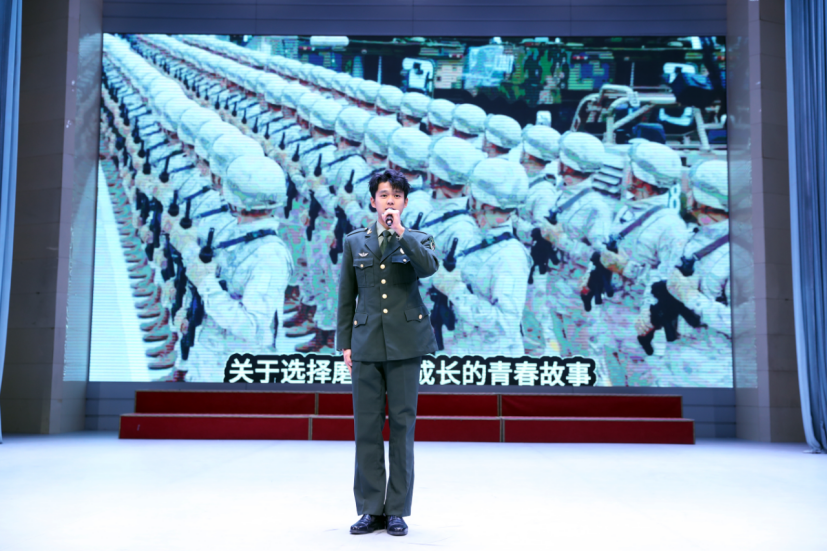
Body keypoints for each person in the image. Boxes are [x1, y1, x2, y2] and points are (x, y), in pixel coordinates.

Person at [337, 169, 439, 538]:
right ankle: (370, 509)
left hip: (406, 344)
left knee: (401, 428)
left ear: (405, 203)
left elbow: (429, 269)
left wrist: (400, 233)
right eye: (384, 195)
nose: (389, 200)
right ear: (372, 201)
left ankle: (396, 510)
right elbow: (346, 295)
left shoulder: (419, 239)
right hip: (365, 344)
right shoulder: (354, 242)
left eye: (396, 195)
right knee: (366, 428)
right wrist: (345, 342)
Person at [432, 158, 531, 357]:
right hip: (464, 348)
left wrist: (455, 291)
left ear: (482, 204)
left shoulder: (510, 257)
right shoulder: (475, 235)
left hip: (491, 361)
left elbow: (505, 323)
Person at [664, 160, 733, 387]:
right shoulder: (690, 237)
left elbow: (748, 323)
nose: (686, 194)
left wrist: (693, 298)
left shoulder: (742, 254)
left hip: (713, 374)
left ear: (702, 198)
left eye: (692, 189)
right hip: (674, 361)